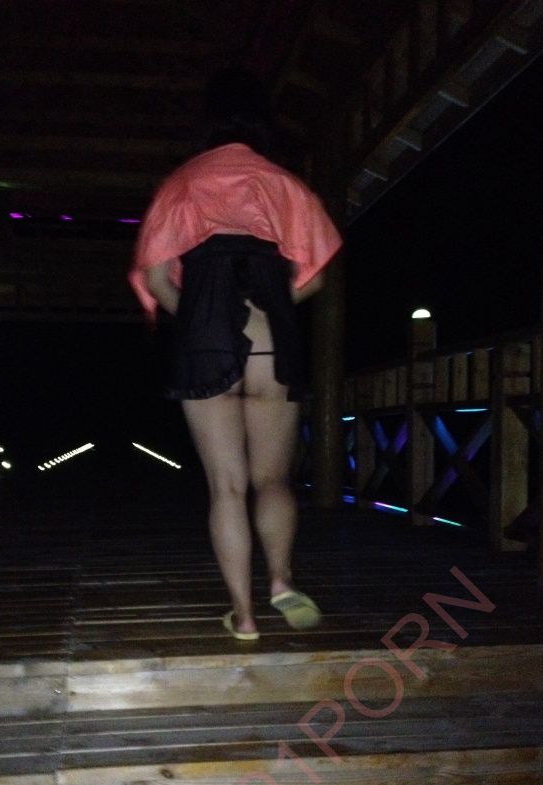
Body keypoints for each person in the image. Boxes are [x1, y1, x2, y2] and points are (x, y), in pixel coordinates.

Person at [129, 69, 342, 640]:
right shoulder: (284, 184)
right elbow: (317, 277)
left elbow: (157, 278)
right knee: (273, 478)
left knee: (226, 485)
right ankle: (282, 582)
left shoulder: (182, 182)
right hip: (271, 334)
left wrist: (200, 317)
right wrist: (272, 304)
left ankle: (244, 616)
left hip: (205, 338)